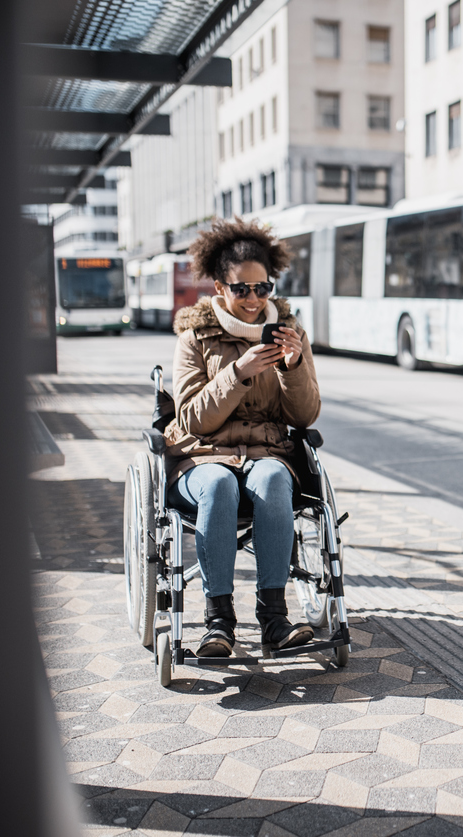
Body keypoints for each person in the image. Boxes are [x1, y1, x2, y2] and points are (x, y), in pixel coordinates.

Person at [163, 218, 321, 658]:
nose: (253, 299)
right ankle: (218, 622)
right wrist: (239, 372)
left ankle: (274, 618)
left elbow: (305, 415)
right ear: (220, 288)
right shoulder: (195, 337)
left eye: (262, 288)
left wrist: (292, 368)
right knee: (218, 483)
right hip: (202, 456)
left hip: (266, 453)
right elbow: (192, 419)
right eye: (241, 289)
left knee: (274, 479)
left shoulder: (291, 333)